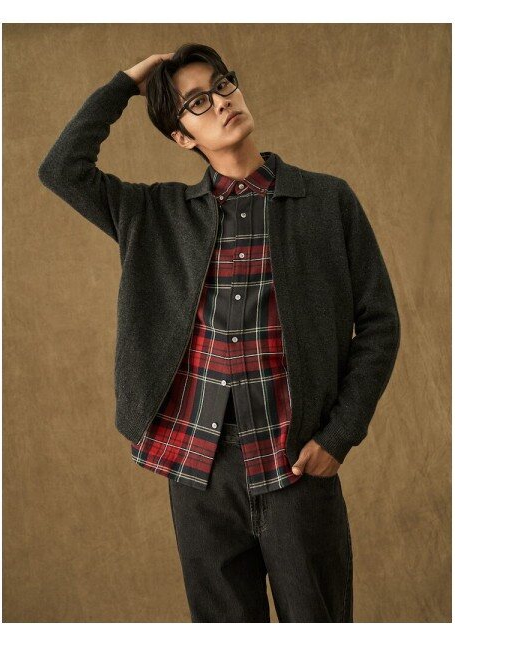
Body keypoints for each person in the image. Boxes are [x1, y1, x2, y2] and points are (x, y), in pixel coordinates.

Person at [38, 43, 401, 622]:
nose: (222, 102)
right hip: (197, 468)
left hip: (295, 460)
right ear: (181, 137)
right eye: (198, 103)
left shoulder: (325, 200)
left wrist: (340, 434)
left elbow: (379, 323)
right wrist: (125, 85)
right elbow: (61, 169)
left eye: (224, 84)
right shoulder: (155, 214)